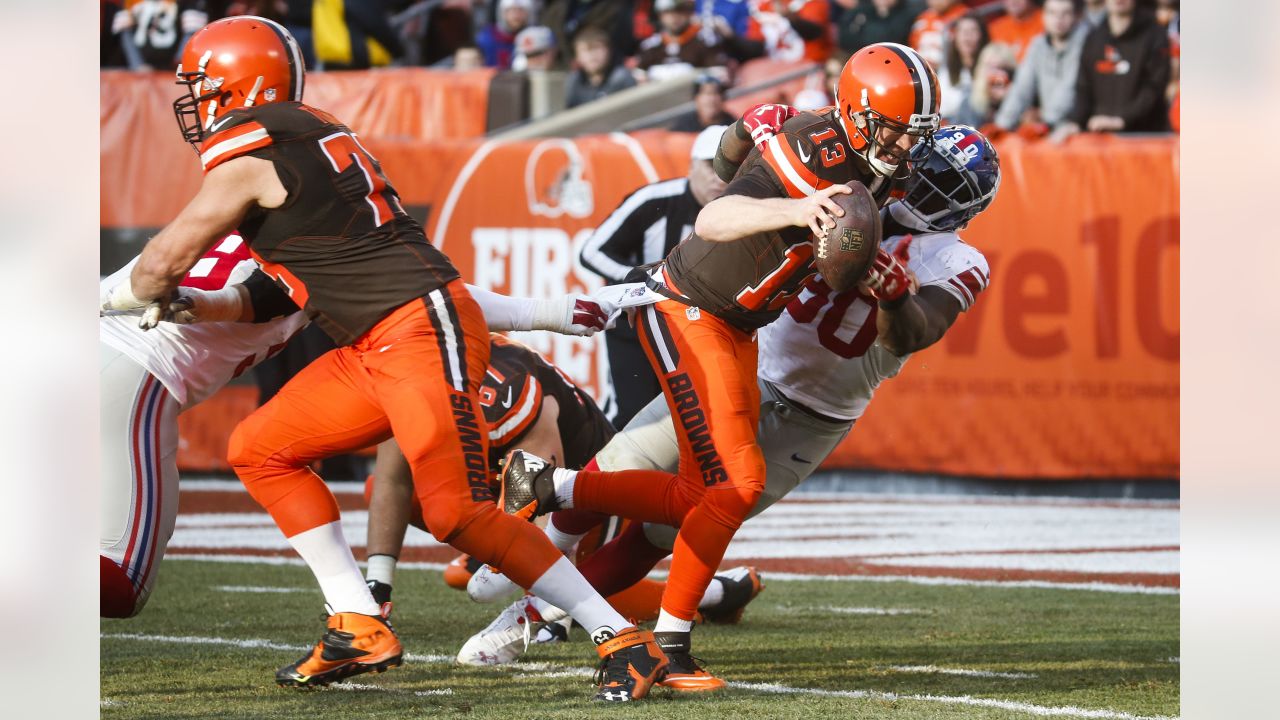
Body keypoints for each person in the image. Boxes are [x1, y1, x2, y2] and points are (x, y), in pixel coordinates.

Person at [99, 16, 668, 703]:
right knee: (260, 447)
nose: (192, 104)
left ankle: (619, 636)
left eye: (201, 86)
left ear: (237, 84)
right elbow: (266, 296)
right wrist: (193, 301)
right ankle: (359, 621)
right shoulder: (310, 142)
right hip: (377, 340)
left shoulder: (254, 147)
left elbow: (158, 264)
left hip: (417, 335)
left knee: (456, 512)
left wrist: (104, 296)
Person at [465, 125, 1001, 666]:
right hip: (744, 361)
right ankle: (554, 510)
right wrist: (752, 136)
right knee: (620, 470)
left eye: (940, 183)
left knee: (662, 532)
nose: (921, 182)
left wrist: (894, 298)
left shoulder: (959, 262)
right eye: (923, 166)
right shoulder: (857, 185)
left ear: (963, 209)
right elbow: (743, 184)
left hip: (814, 416)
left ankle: (531, 613)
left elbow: (915, 332)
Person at [100, 235, 612, 617]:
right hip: (136, 370)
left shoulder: (239, 211)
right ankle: (359, 616)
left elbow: (433, 296)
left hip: (119, 360)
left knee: (258, 450)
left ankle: (358, 617)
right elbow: (427, 295)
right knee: (123, 582)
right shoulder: (315, 235)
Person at [579, 125, 729, 428]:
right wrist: (646, 280)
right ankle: (600, 472)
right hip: (637, 323)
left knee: (699, 422)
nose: (718, 176)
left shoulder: (744, 211)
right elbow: (592, 251)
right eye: (708, 165)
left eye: (727, 167)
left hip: (702, 329)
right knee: (632, 416)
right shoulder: (655, 200)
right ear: (690, 166)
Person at [1053, 0, 1170, 141]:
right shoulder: (1093, 38)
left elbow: (1154, 88)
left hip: (1144, 140)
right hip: (1101, 142)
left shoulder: (1155, 35)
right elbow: (1083, 88)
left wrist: (1121, 120)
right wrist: (1074, 122)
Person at [992, 0, 1087, 136]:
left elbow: (1069, 86)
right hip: (1049, 127)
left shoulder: (1086, 43)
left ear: (1076, 16)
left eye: (1065, 13)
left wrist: (1045, 123)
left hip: (1077, 128)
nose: (1058, 19)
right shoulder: (1038, 45)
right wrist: (1001, 124)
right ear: (1043, 16)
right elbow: (1022, 87)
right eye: (1052, 13)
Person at [637, 0, 726, 80]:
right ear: (660, 15)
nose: (674, 17)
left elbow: (717, 77)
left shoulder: (705, 41)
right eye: (668, 12)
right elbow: (639, 79)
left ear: (690, 13)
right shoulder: (650, 46)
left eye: (680, 11)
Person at [564, 25, 638, 108]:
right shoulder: (574, 82)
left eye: (597, 47)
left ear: (608, 50)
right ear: (577, 56)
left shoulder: (621, 78)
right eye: (585, 50)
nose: (592, 55)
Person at [938, 13, 989, 126]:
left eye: (973, 30)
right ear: (955, 37)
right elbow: (943, 106)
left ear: (982, 35)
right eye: (962, 31)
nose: (967, 36)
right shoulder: (947, 67)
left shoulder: (991, 63)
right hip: (952, 125)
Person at [743, 0, 833, 63]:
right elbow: (756, 48)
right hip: (775, 72)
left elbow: (815, 32)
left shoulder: (811, 2)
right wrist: (731, 39)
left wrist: (789, 16)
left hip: (810, 68)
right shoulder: (761, 8)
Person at [837, 0, 919, 55]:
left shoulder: (909, 15)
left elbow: (893, 40)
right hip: (859, 58)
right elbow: (844, 40)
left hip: (895, 60)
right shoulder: (859, 12)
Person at [909, 0, 967, 69]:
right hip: (922, 70)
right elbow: (913, 46)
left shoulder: (964, 16)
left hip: (954, 70)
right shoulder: (923, 17)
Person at [477, 0, 535, 69]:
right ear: (502, 13)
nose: (516, 16)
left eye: (521, 10)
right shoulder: (487, 38)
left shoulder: (535, 37)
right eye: (511, 11)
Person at [670, 74, 735, 132]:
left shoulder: (732, 126)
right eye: (707, 93)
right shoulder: (684, 124)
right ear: (696, 98)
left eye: (716, 93)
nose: (711, 99)